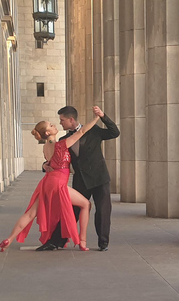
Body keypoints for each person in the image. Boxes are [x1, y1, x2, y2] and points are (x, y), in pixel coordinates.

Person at [0, 110, 103, 252]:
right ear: (48, 133)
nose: (54, 125)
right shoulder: (61, 145)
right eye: (51, 126)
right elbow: (82, 131)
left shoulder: (46, 147)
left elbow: (48, 163)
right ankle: (82, 241)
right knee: (86, 204)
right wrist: (97, 118)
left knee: (30, 213)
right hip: (57, 183)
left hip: (47, 182)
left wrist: (44, 165)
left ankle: (8, 240)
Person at [38, 105, 119, 252]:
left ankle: (103, 243)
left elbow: (115, 132)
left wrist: (102, 116)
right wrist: (44, 165)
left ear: (71, 119)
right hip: (81, 180)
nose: (60, 123)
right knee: (70, 210)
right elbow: (53, 158)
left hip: (100, 177)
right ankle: (56, 241)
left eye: (62, 120)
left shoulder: (93, 130)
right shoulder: (64, 139)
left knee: (103, 210)